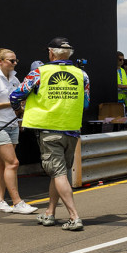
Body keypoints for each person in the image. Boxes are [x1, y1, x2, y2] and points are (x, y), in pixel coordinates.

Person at [11, 37, 89, 231]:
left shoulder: (39, 72)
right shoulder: (82, 75)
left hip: (48, 129)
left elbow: (16, 94)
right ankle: (50, 213)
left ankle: (74, 216)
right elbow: (86, 103)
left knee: (58, 173)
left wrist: (18, 109)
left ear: (51, 53)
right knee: (58, 173)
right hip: (71, 129)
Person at [0, 47, 35, 214]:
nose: (15, 63)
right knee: (13, 163)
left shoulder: (15, 80)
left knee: (2, 164)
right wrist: (9, 104)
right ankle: (17, 202)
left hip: (11, 125)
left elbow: (17, 104)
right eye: (12, 60)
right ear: (0, 61)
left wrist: (20, 117)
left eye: (16, 60)